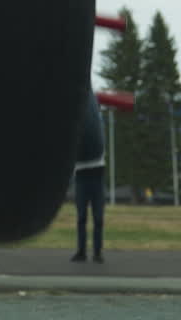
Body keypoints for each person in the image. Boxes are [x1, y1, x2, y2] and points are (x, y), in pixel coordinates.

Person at [71, 86, 106, 263]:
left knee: (98, 218)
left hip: (97, 175)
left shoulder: (97, 123)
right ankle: (81, 252)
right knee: (81, 217)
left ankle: (97, 253)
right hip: (82, 176)